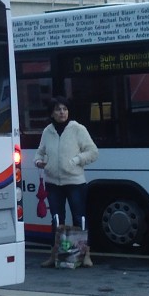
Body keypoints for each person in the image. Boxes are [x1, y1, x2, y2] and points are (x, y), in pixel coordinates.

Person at [34, 96, 99, 267]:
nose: (62, 112)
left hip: (75, 182)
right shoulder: (47, 131)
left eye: (64, 109)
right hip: (53, 183)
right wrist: (38, 162)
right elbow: (39, 152)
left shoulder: (78, 129)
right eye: (58, 109)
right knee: (56, 219)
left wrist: (76, 160)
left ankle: (86, 255)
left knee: (80, 218)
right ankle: (54, 255)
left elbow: (93, 152)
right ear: (52, 113)